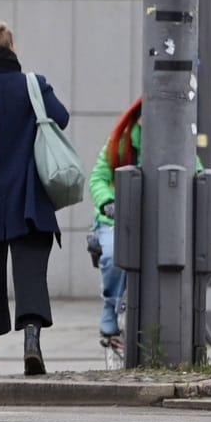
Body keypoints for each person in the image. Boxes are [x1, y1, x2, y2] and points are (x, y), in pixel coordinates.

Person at [0, 22, 70, 376]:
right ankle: (32, 343)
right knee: (31, 275)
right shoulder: (33, 85)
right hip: (29, 198)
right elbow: (61, 118)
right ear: (13, 46)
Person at [89, 101, 142, 364]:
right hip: (115, 219)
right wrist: (107, 202)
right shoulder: (121, 141)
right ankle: (111, 308)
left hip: (153, 223)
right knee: (113, 256)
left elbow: (196, 168)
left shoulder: (176, 144)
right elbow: (98, 177)